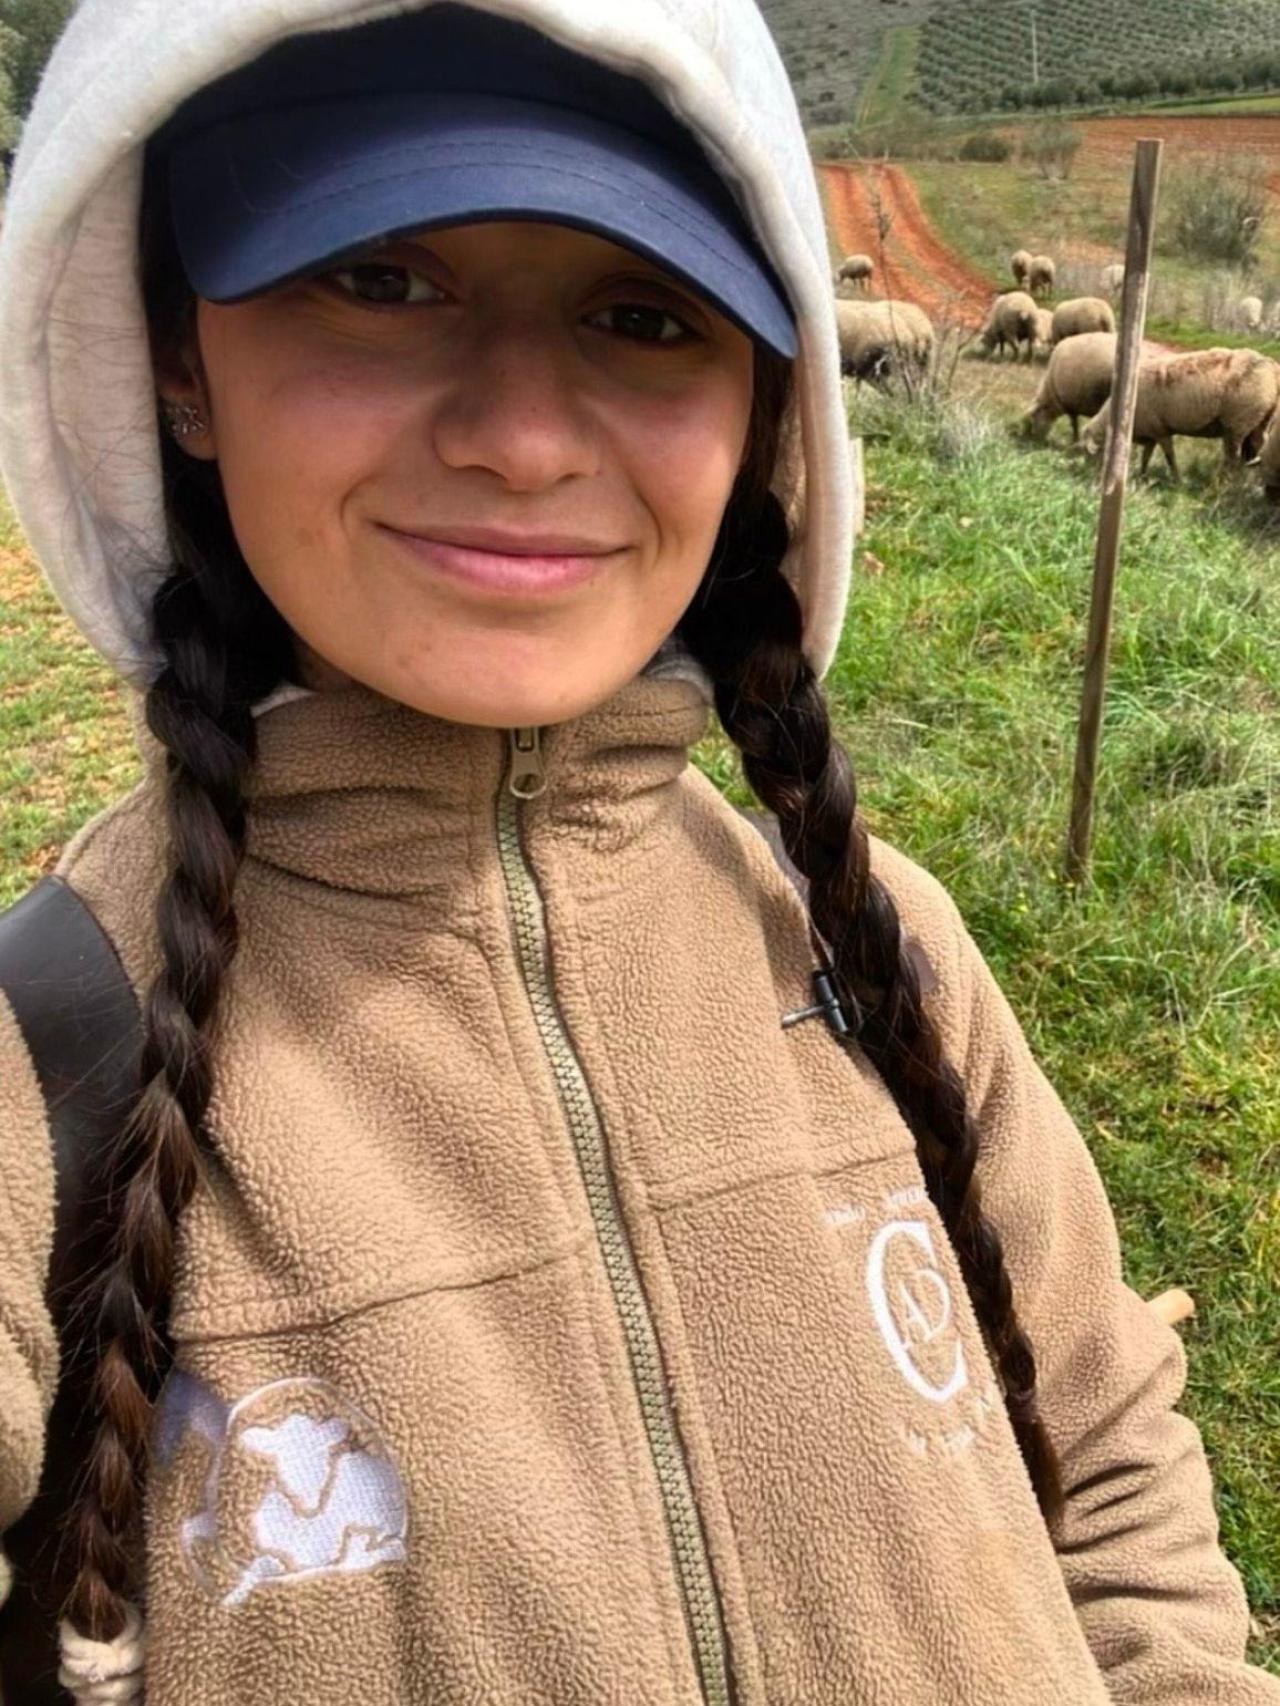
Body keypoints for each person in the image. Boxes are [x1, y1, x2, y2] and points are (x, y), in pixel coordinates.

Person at [0, 1, 1274, 1702]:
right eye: (380, 278)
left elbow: (1111, 1459)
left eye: (642, 313)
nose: (523, 437)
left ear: (761, 407)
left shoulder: (879, 952)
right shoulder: (42, 1082)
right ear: (176, 359)